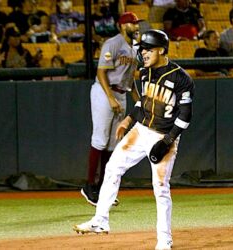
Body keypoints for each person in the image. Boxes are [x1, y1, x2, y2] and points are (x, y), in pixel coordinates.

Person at [73, 29, 195, 250]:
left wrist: (167, 141)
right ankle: (100, 221)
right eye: (142, 49)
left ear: (161, 50)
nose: (144, 53)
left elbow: (185, 116)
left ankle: (164, 239)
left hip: (164, 135)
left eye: (148, 49)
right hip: (140, 130)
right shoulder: (145, 72)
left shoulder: (181, 78)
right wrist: (128, 120)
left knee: (160, 187)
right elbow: (143, 103)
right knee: (112, 168)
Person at [80, 12, 141, 207]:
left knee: (113, 143)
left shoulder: (135, 49)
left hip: (121, 93)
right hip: (104, 91)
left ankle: (103, 188)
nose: (136, 26)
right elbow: (101, 71)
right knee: (100, 138)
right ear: (122, 25)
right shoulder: (112, 43)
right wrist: (110, 97)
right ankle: (89, 186)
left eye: (137, 23)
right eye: (132, 23)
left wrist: (139, 102)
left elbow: (131, 80)